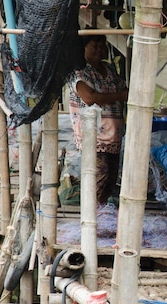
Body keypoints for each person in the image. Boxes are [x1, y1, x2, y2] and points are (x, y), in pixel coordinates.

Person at [67, 34, 128, 206]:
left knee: (110, 180)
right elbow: (89, 97)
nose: (99, 49)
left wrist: (123, 95)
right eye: (95, 45)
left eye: (102, 46)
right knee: (98, 178)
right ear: (84, 47)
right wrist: (120, 96)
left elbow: (125, 89)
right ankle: (90, 219)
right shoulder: (79, 72)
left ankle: (100, 216)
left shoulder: (109, 69)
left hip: (113, 136)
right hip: (93, 137)